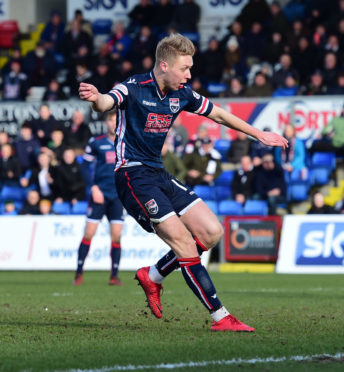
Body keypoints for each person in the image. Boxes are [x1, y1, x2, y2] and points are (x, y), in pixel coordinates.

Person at [78, 33, 287, 332]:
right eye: (184, 68)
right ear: (164, 65)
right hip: (132, 176)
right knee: (185, 244)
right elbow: (107, 102)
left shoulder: (182, 94)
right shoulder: (135, 87)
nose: (189, 75)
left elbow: (220, 115)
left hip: (158, 174)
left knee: (212, 232)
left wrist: (259, 135)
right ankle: (221, 317)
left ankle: (153, 275)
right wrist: (96, 98)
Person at [74, 111, 125, 286]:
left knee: (117, 236)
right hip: (99, 195)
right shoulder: (96, 142)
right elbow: (84, 166)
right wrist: (94, 188)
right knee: (89, 233)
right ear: (106, 122)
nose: (113, 123)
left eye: (116, 120)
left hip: (118, 195)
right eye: (110, 120)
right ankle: (79, 273)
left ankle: (114, 276)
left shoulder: (127, 142)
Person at [310, 99, 344, 177]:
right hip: (335, 144)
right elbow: (325, 130)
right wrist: (328, 133)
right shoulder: (337, 120)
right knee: (315, 145)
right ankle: (310, 168)